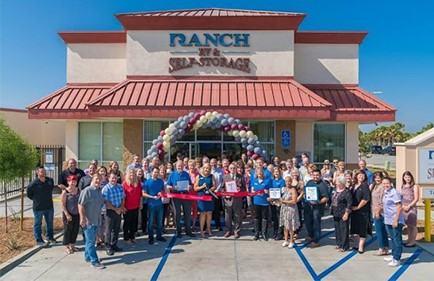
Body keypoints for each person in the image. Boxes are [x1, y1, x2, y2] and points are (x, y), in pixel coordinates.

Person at [78, 174, 106, 269]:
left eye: (100, 179)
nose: (98, 181)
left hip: (96, 219)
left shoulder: (99, 191)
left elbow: (101, 204)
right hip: (88, 221)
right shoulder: (87, 191)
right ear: (92, 180)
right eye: (96, 179)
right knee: (91, 242)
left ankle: (88, 257)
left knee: (90, 241)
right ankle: (94, 262)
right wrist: (82, 218)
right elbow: (80, 205)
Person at [27, 166, 56, 245]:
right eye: (41, 171)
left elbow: (51, 189)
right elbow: (29, 194)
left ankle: (50, 237)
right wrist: (37, 199)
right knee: (38, 224)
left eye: (44, 171)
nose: (43, 172)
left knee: (50, 223)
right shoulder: (33, 184)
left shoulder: (50, 181)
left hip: (49, 206)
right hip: (38, 208)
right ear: (37, 173)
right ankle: (39, 240)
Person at [167, 160, 195, 238]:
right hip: (176, 196)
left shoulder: (186, 174)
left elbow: (190, 184)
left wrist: (189, 186)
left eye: (181, 166)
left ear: (183, 166)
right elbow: (167, 186)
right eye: (179, 166)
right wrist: (173, 187)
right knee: (177, 214)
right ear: (176, 166)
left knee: (188, 213)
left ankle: (188, 231)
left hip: (185, 195)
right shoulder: (172, 175)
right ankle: (178, 231)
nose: (180, 167)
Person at [303, 169, 329, 248]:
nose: (315, 177)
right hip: (308, 206)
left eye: (317, 175)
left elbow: (326, 198)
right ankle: (311, 236)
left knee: (316, 224)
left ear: (320, 175)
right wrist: (305, 196)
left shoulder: (323, 185)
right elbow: (305, 192)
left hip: (317, 208)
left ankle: (316, 241)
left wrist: (317, 202)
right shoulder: (309, 182)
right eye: (314, 175)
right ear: (311, 175)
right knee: (307, 222)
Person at [382, 177, 404, 267]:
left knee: (397, 239)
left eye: (387, 183)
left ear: (391, 183)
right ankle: (393, 255)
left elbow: (399, 207)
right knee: (392, 238)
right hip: (388, 219)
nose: (385, 185)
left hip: (395, 220)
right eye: (383, 184)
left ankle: (397, 259)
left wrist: (396, 220)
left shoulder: (394, 193)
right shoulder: (386, 192)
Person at [102, 172, 126, 256]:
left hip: (118, 210)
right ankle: (107, 247)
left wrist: (121, 207)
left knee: (116, 229)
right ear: (109, 178)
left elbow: (123, 197)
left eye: (115, 178)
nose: (113, 179)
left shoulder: (120, 187)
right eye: (112, 178)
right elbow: (106, 202)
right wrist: (115, 209)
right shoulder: (106, 188)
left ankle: (114, 245)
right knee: (108, 230)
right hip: (110, 211)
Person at [143, 167, 167, 244]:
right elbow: (143, 193)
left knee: (160, 222)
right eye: (155, 172)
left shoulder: (161, 181)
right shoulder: (147, 182)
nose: (156, 173)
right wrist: (152, 197)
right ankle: (151, 237)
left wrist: (161, 194)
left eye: (157, 172)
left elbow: (162, 191)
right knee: (150, 222)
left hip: (160, 204)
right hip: (151, 205)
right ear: (152, 172)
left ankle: (159, 236)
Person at [350, 169, 372, 253]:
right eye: (360, 175)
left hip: (363, 211)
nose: (361, 177)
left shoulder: (365, 186)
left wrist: (358, 207)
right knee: (356, 228)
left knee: (362, 228)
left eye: (363, 176)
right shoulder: (353, 185)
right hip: (354, 211)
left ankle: (361, 246)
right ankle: (356, 244)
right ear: (356, 176)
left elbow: (366, 199)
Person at [222, 163, 246, 239]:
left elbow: (244, 189)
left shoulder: (241, 177)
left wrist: (240, 190)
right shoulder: (225, 177)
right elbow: (222, 188)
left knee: (238, 216)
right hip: (228, 200)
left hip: (237, 200)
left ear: (236, 169)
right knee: (227, 217)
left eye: (234, 168)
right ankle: (228, 230)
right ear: (229, 169)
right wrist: (225, 194)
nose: (232, 169)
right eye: (231, 168)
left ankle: (237, 231)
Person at [195, 163, 216, 238]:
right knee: (203, 214)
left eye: (208, 168)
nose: (207, 169)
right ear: (203, 169)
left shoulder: (212, 176)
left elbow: (214, 186)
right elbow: (195, 188)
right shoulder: (198, 176)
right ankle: (201, 230)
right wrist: (202, 187)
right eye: (205, 168)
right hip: (201, 198)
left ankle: (208, 229)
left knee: (209, 213)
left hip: (209, 197)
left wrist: (210, 189)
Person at [331, 176, 352, 252]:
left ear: (342, 183)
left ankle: (344, 246)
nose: (336, 183)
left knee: (344, 229)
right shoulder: (335, 190)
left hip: (343, 212)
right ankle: (338, 243)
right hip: (335, 212)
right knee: (337, 229)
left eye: (338, 182)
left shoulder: (347, 192)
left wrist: (346, 213)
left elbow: (349, 204)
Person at [370, 171, 389, 256]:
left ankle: (381, 248)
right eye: (375, 177)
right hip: (374, 210)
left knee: (379, 231)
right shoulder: (374, 186)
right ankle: (385, 248)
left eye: (379, 177)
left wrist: (377, 211)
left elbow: (382, 201)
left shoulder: (382, 187)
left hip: (380, 212)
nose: (377, 179)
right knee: (382, 230)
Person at [61, 175, 81, 254]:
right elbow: (63, 204)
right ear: (68, 182)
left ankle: (72, 245)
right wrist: (67, 214)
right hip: (68, 214)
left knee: (75, 230)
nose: (73, 183)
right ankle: (67, 246)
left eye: (74, 181)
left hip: (77, 213)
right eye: (71, 181)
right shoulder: (65, 192)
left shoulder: (78, 190)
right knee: (67, 230)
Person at [122, 168, 142, 245]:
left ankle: (132, 237)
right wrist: (122, 206)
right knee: (127, 223)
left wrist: (141, 203)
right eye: (130, 173)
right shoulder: (124, 184)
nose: (132, 174)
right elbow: (122, 196)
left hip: (135, 206)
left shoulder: (138, 183)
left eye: (133, 173)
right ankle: (126, 238)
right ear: (127, 174)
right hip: (127, 207)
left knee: (134, 223)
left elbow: (140, 194)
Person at [280, 176, 300, 249]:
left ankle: (291, 241)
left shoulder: (293, 190)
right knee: (285, 225)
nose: (287, 183)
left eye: (289, 181)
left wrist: (284, 201)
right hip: (284, 209)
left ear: (291, 182)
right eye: (286, 181)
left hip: (291, 209)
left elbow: (294, 201)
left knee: (290, 226)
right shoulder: (284, 189)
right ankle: (286, 240)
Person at [400, 171, 419, 247]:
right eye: (405, 177)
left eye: (408, 177)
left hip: (411, 207)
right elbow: (401, 196)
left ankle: (413, 241)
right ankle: (409, 239)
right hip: (404, 207)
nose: (407, 178)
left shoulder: (414, 186)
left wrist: (410, 206)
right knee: (408, 224)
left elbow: (416, 198)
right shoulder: (402, 186)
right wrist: (403, 206)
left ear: (411, 177)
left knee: (413, 225)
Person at [251, 169, 271, 241]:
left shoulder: (267, 181)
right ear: (256, 174)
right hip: (256, 201)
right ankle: (257, 233)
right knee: (256, 217)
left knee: (264, 217)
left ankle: (264, 233)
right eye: (258, 172)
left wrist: (267, 191)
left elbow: (270, 191)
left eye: (261, 172)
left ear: (263, 173)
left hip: (264, 202)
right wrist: (256, 193)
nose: (260, 173)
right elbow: (252, 191)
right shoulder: (254, 181)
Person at [269, 167, 285, 240]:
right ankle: (275, 232)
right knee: (274, 218)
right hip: (272, 201)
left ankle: (280, 233)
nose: (276, 173)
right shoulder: (271, 181)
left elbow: (282, 191)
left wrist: (277, 199)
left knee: (279, 218)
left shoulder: (282, 181)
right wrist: (271, 200)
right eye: (275, 172)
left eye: (277, 172)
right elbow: (270, 190)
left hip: (279, 201)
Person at [289, 169, 304, 239]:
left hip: (297, 202)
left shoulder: (300, 183)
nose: (295, 174)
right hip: (289, 203)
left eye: (296, 173)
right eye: (293, 173)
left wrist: (296, 200)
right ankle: (291, 232)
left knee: (297, 217)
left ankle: (296, 232)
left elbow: (302, 193)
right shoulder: (289, 182)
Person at [210, 158, 224, 231]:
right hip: (209, 193)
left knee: (217, 210)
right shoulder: (208, 170)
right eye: (212, 163)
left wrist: (217, 190)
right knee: (209, 210)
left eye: (214, 162)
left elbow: (222, 181)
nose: (213, 164)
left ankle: (218, 225)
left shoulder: (220, 171)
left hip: (217, 193)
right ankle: (207, 226)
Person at [187, 159, 200, 232]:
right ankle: (188, 225)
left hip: (195, 193)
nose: (192, 167)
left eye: (193, 165)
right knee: (188, 210)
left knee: (195, 210)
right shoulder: (186, 173)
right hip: (188, 193)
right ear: (188, 166)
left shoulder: (198, 174)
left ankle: (193, 225)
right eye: (190, 165)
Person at [137, 168, 148, 236]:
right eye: (138, 171)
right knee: (136, 217)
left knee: (144, 216)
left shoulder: (145, 181)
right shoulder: (134, 181)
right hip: (136, 201)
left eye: (141, 171)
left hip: (144, 200)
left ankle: (144, 229)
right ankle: (136, 230)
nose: (140, 173)